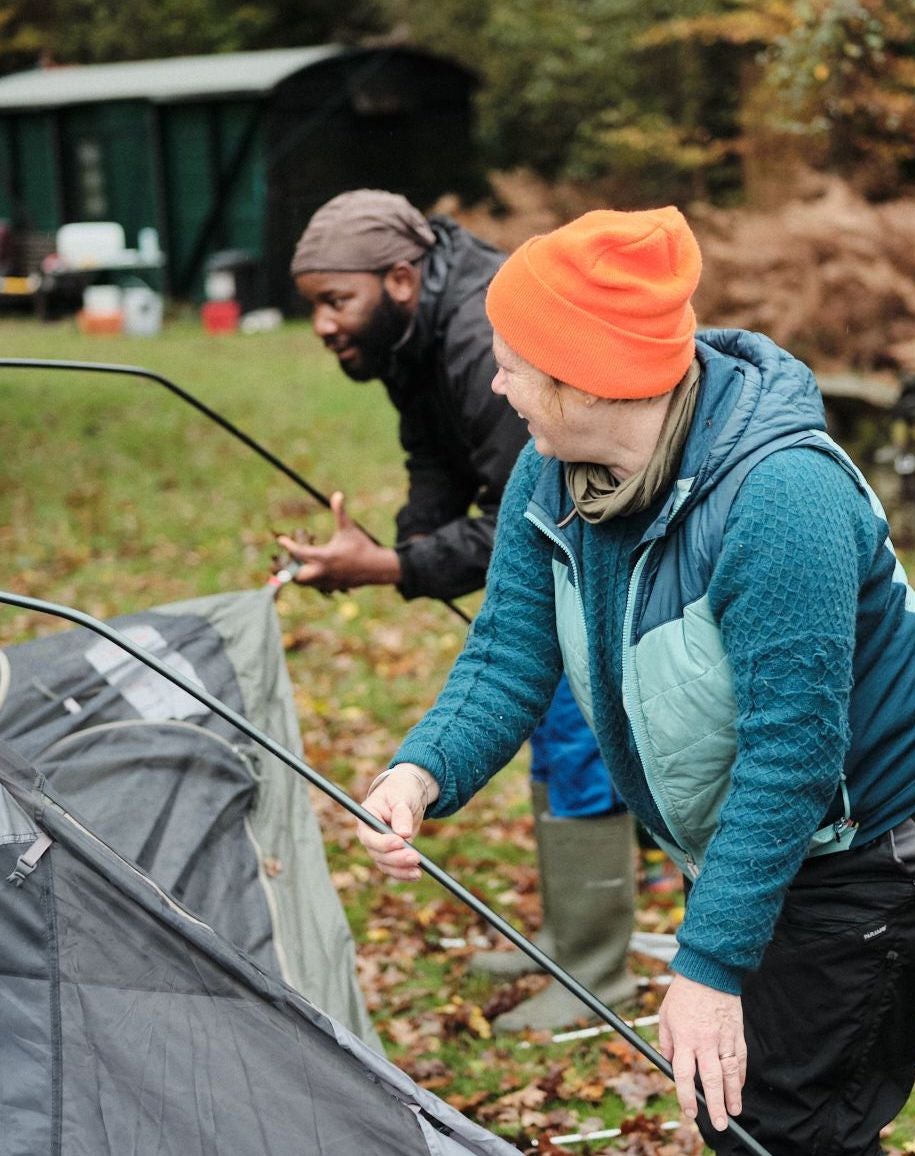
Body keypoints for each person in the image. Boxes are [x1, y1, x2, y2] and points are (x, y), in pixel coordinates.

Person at [354, 206, 915, 1154]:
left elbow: (795, 754)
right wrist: (421, 773)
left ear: (593, 379)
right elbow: (508, 654)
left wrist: (710, 964)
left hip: (884, 829)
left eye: (514, 364)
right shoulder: (549, 472)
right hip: (770, 813)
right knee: (735, 1104)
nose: (494, 383)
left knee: (783, 1117)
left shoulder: (780, 497)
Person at [282, 190, 639, 1031]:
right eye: (316, 306)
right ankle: (563, 936)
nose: (325, 326)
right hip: (552, 544)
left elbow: (534, 515)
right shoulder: (413, 334)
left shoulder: (484, 337)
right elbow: (436, 460)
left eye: (338, 302)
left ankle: (599, 973)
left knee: (574, 733)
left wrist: (396, 566)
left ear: (401, 278)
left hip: (596, 549)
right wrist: (406, 547)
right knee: (546, 732)